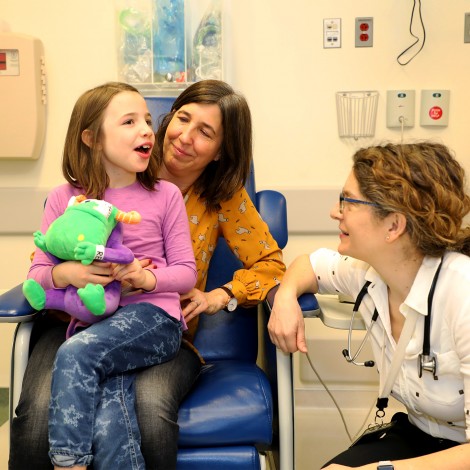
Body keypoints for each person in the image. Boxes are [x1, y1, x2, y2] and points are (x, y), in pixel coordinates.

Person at [9, 79, 286, 469]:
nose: (184, 137)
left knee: (150, 410)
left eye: (204, 132)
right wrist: (69, 272)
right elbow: (48, 259)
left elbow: (267, 265)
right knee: (39, 413)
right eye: (181, 119)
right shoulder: (114, 168)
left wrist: (217, 295)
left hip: (153, 320)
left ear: (221, 151)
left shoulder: (206, 196)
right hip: (75, 320)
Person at [23, 81, 197, 469]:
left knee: (77, 355)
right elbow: (39, 272)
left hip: (154, 320)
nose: (147, 130)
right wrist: (68, 273)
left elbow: (186, 273)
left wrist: (142, 277)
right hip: (95, 322)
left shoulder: (165, 195)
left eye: (148, 120)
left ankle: (68, 464)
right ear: (91, 138)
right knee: (108, 408)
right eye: (129, 121)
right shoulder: (63, 198)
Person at [268, 141, 470, 469]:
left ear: (393, 225)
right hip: (418, 434)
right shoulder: (370, 273)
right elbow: (311, 265)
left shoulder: (462, 293)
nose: (336, 212)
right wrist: (286, 297)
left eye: (347, 201)